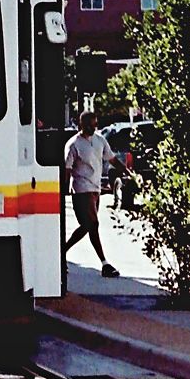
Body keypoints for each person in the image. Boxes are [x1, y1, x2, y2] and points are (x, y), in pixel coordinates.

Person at [64, 110, 129, 278]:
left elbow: (112, 159)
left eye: (95, 125)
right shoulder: (73, 144)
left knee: (87, 226)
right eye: (89, 125)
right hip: (81, 189)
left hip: (95, 189)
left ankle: (60, 252)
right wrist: (61, 191)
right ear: (81, 125)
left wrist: (127, 172)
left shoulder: (100, 140)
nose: (92, 128)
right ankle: (105, 263)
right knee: (93, 224)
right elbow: (67, 169)